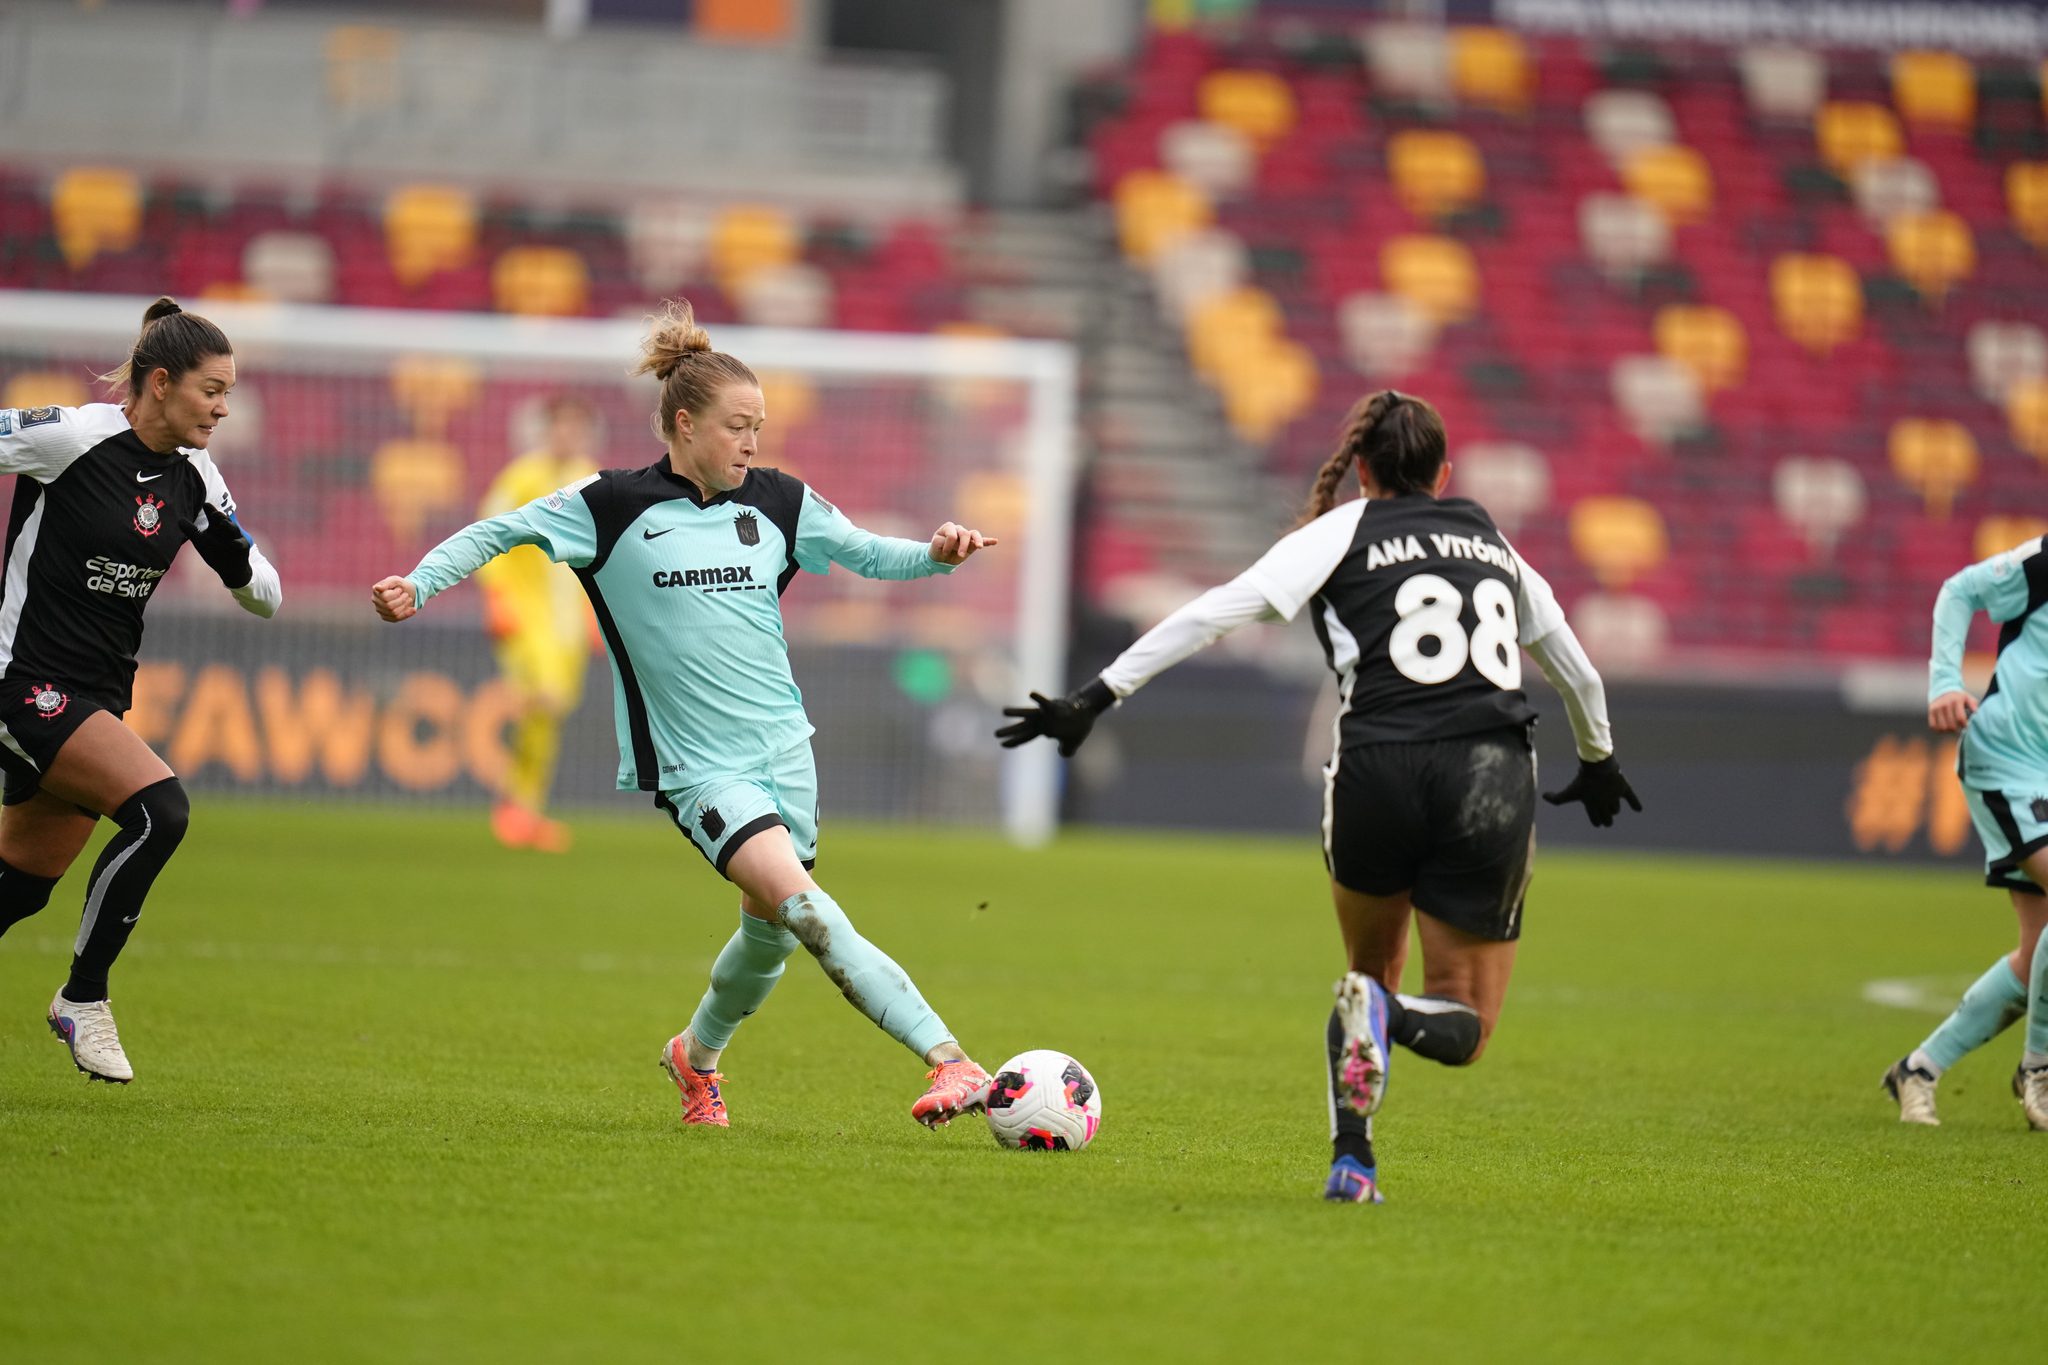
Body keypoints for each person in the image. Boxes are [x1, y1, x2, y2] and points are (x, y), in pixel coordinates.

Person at [371, 299, 1001, 1130]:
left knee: (771, 936)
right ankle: (953, 1059)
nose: (752, 442)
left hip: (786, 749)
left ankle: (694, 1058)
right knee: (807, 909)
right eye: (738, 426)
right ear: (682, 422)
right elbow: (500, 530)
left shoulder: (778, 501)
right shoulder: (610, 504)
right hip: (699, 768)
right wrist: (419, 582)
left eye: (759, 426)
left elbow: (867, 553)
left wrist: (936, 553)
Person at [998, 389, 1640, 1202]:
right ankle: (1392, 1026)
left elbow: (1210, 613)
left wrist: (1094, 696)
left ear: (1361, 470)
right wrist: (1599, 758)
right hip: (1487, 774)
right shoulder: (1489, 540)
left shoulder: (1338, 532)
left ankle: (1354, 1158)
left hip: (1376, 769)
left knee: (1368, 973)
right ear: (1443, 473)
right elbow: (1572, 663)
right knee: (1464, 1020)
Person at [0, 296, 282, 1082]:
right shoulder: (72, 436)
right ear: (161, 381)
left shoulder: (198, 477)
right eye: (212, 390)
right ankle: (82, 997)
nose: (224, 408)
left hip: (96, 696)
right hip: (22, 683)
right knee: (161, 811)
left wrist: (232, 551)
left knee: (19, 888)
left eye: (229, 393)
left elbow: (268, 594)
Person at [1882, 534, 2048, 1130]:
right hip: (2007, 757)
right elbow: (1960, 590)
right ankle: (2040, 1067)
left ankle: (1918, 1070)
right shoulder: (2045, 560)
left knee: (2036, 958)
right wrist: (1944, 682)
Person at [475, 394, 602, 853]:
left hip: (568, 623)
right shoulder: (522, 477)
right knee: (543, 701)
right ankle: (516, 807)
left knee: (547, 714)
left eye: (577, 426)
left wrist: (595, 615)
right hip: (528, 616)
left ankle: (523, 808)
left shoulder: (592, 479)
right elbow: (486, 534)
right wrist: (496, 597)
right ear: (547, 430)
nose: (568, 435)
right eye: (560, 425)